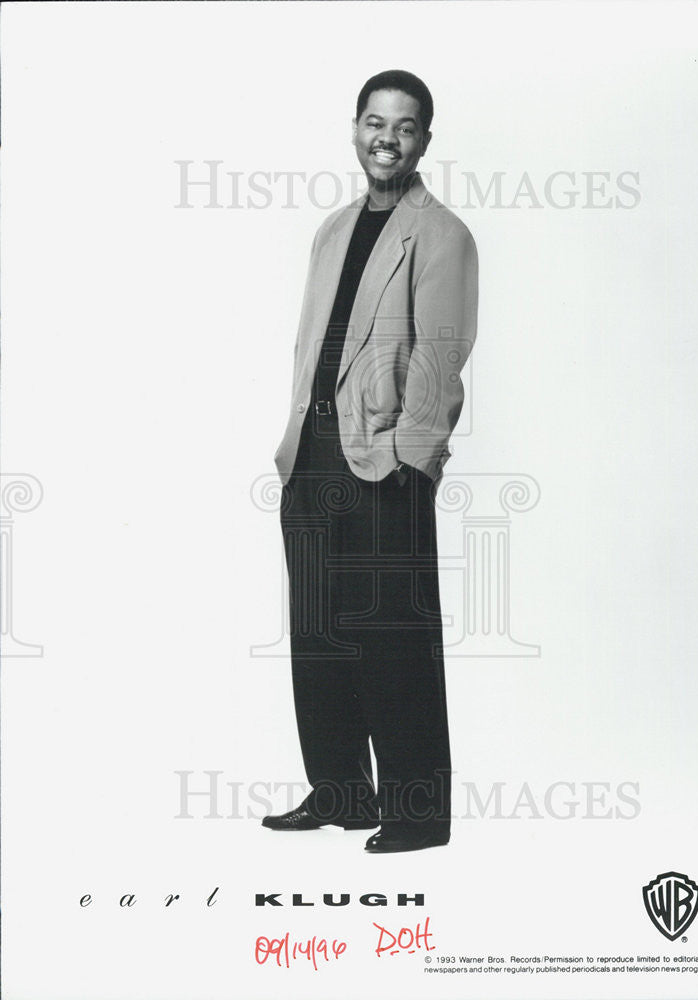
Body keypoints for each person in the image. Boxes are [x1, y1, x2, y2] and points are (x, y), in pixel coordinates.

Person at [264, 69, 478, 853]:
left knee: (392, 636)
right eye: (374, 122)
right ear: (355, 128)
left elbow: (441, 354)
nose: (387, 138)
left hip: (383, 463)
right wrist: (294, 448)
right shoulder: (331, 229)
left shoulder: (442, 232)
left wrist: (408, 458)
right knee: (318, 632)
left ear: (424, 139)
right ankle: (341, 795)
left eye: (405, 126)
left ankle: (416, 815)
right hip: (313, 455)